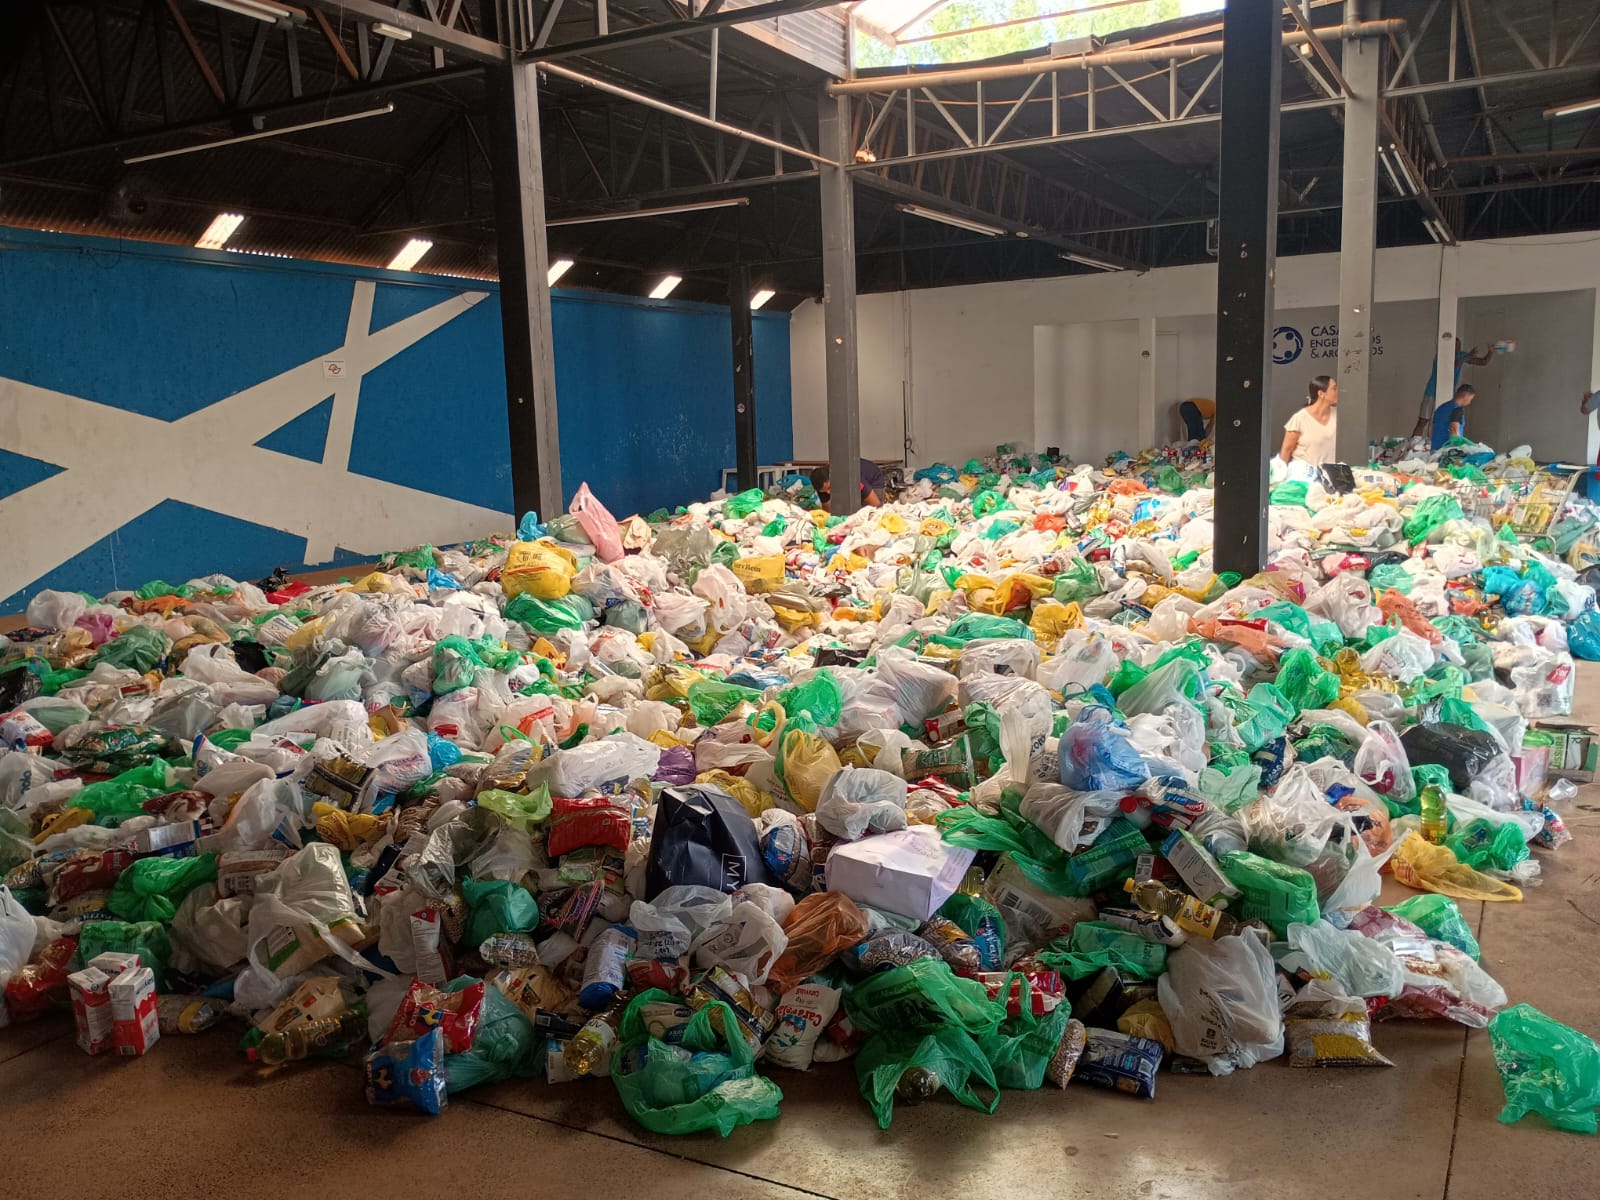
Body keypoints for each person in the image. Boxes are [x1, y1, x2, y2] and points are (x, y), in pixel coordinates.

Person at [1414, 338, 1492, 437]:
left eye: (1459, 346)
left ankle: (1431, 444)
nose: (1458, 348)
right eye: (1456, 346)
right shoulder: (1442, 355)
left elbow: (1483, 362)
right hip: (1432, 392)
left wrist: (1490, 351)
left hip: (1447, 393)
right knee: (1423, 421)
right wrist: (1467, 356)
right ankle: (1412, 445)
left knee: (1442, 421)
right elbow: (1452, 365)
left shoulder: (1461, 355)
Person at [1279, 376, 1339, 469]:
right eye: (1334, 388)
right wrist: (1280, 477)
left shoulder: (1339, 415)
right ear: (1321, 394)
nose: (1338, 391)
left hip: (1331, 476)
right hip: (1304, 479)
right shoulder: (1299, 419)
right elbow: (1286, 451)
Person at [811, 460, 886, 510]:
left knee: (870, 513)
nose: (828, 492)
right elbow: (828, 512)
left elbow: (875, 504)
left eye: (830, 488)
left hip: (873, 479)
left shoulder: (851, 477)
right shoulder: (822, 485)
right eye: (824, 491)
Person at [1430, 383, 1476, 450]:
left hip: (1435, 449)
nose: (1469, 403)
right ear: (1466, 396)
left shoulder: (1440, 408)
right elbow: (1454, 430)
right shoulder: (1457, 410)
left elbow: (1432, 429)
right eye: (1470, 399)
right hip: (1447, 451)